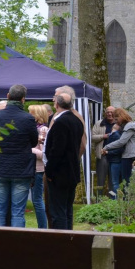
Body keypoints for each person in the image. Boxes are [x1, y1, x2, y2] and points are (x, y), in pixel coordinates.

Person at [0, 84, 38, 227]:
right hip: (21, 169)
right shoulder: (28, 119)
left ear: (8, 96)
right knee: (17, 212)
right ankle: (17, 245)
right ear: (23, 99)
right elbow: (33, 142)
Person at [44, 92, 84, 230]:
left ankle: (61, 241)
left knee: (58, 211)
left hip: (59, 173)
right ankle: (69, 238)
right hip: (71, 171)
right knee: (67, 209)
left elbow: (57, 150)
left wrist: (49, 171)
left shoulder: (61, 122)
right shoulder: (77, 120)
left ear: (56, 104)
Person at [102, 108, 135, 190]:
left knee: (126, 180)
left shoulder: (129, 126)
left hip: (128, 155)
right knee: (125, 180)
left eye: (116, 119)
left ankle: (127, 200)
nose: (115, 121)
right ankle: (126, 199)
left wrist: (106, 147)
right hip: (127, 155)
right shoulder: (128, 126)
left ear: (121, 116)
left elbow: (121, 142)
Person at [28, 104, 49, 229]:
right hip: (30, 168)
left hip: (38, 169)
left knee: (37, 200)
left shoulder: (43, 130)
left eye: (31, 113)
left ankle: (42, 228)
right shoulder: (33, 129)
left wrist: (28, 149)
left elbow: (43, 154)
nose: (28, 115)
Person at [53, 85, 87, 156]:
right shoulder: (57, 114)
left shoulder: (75, 117)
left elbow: (82, 144)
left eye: (56, 97)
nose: (53, 99)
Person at [91, 106, 116, 195]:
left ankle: (112, 201)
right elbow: (92, 137)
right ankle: (99, 200)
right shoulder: (99, 123)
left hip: (115, 156)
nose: (109, 114)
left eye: (111, 112)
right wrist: (103, 136)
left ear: (115, 113)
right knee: (100, 180)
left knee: (113, 181)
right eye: (108, 112)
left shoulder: (119, 124)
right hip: (102, 155)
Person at [106, 123, 123, 198]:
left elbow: (119, 149)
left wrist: (107, 152)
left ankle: (115, 199)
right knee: (114, 181)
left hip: (115, 160)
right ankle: (114, 198)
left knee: (115, 181)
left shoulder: (116, 135)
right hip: (113, 160)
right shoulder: (113, 134)